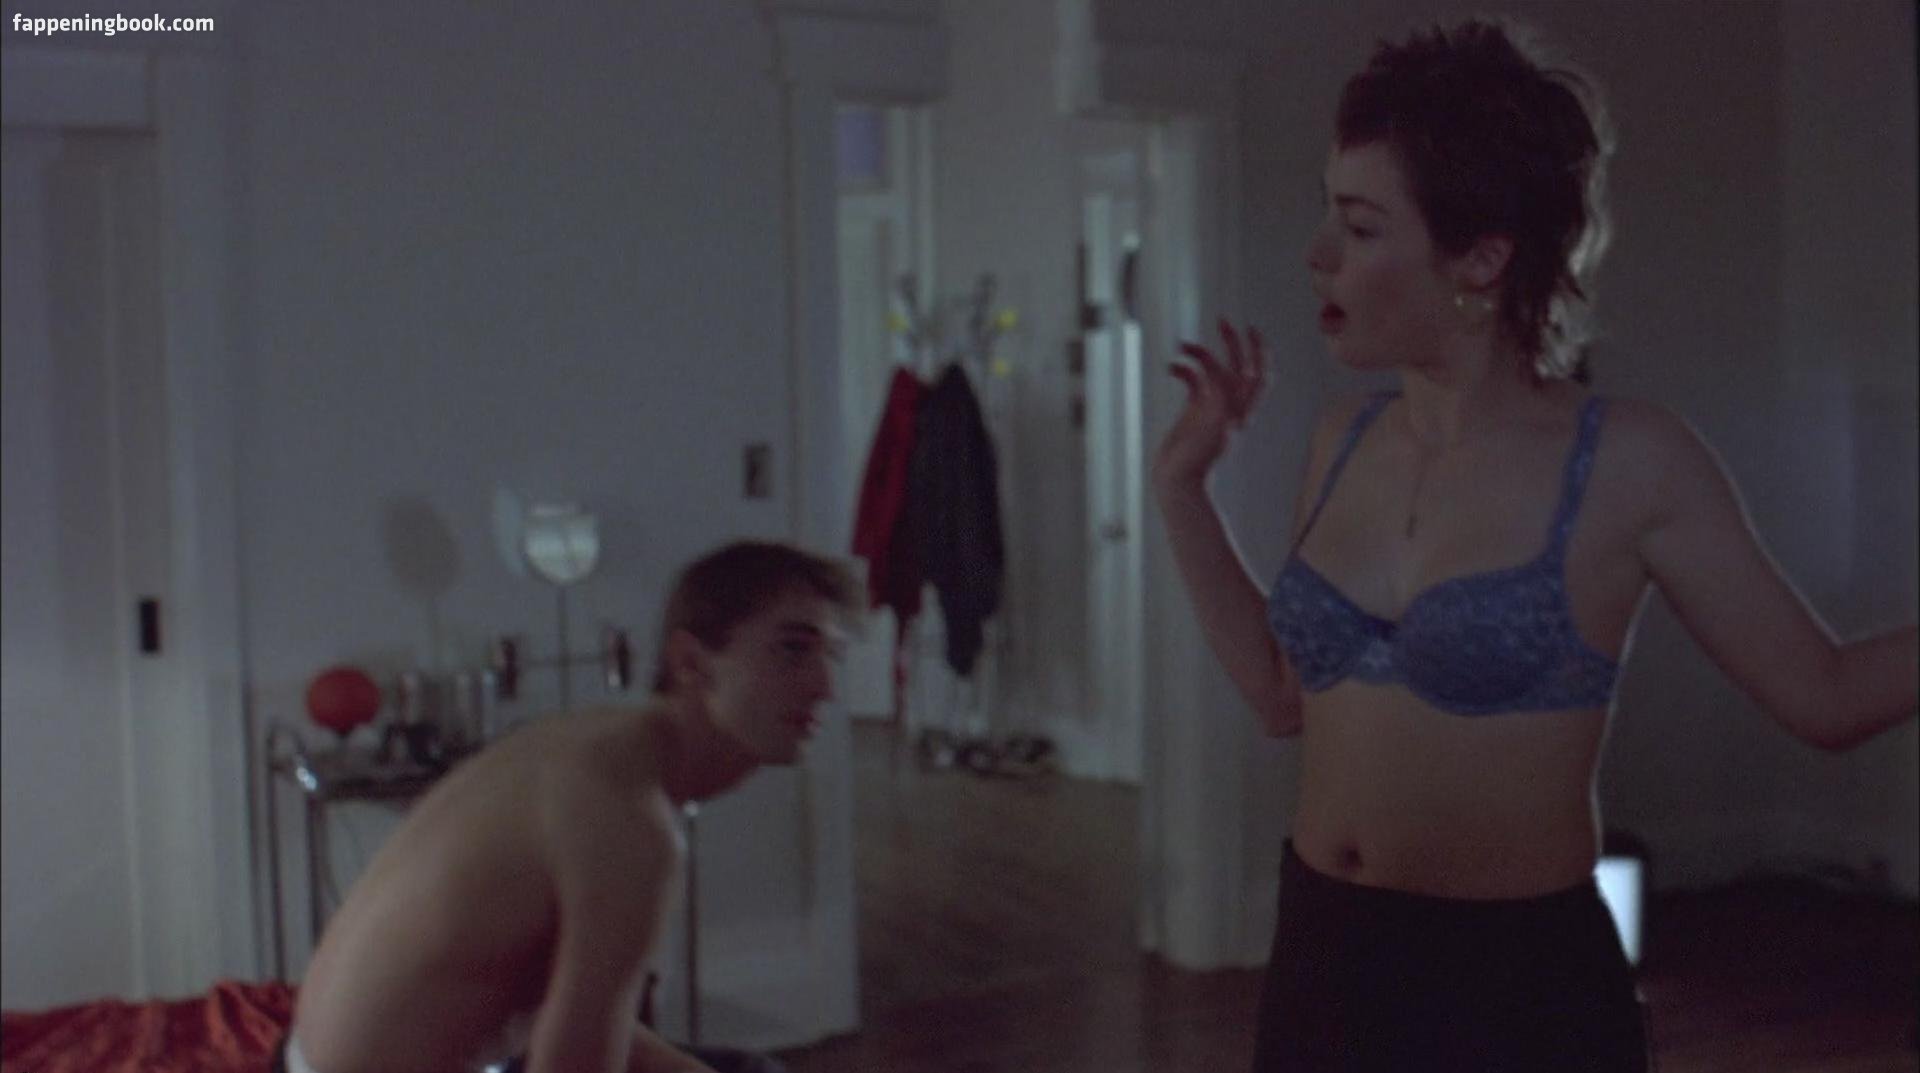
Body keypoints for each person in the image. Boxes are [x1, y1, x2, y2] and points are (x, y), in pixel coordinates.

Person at [1152, 17, 1919, 1073]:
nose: (1318, 253)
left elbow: (1825, 694)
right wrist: (1180, 484)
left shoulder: (1631, 462)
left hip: (1517, 990)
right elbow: (1283, 695)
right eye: (1329, 212)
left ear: (1482, 255)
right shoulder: (1343, 438)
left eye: (1362, 226)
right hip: (1325, 961)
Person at [282, 541, 858, 1073]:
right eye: (793, 649)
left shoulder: (594, 742)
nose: (825, 686)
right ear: (691, 662)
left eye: (832, 654)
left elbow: (554, 1012)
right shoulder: (627, 816)